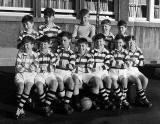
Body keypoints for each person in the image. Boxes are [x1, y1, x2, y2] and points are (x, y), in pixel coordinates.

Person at [72, 38, 111, 111]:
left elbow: (90, 68)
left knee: (97, 80)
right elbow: (73, 68)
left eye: (83, 46)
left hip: (86, 73)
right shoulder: (74, 55)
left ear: (86, 46)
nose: (81, 48)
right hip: (76, 74)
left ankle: (94, 101)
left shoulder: (90, 56)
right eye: (79, 46)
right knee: (76, 81)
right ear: (77, 46)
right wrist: (81, 68)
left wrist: (79, 68)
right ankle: (77, 103)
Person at [34, 35, 59, 117]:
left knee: (54, 83)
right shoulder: (36, 54)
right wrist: (38, 68)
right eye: (41, 44)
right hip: (39, 75)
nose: (43, 46)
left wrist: (47, 67)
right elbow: (34, 66)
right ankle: (47, 104)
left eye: (45, 44)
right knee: (39, 86)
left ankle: (46, 106)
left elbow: (53, 66)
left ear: (49, 45)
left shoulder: (52, 54)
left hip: (49, 74)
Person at [15, 36, 38, 119]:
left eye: (28, 44)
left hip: (30, 75)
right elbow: (18, 67)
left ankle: (19, 108)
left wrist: (24, 66)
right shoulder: (20, 53)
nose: (26, 46)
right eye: (24, 45)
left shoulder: (35, 55)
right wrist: (28, 67)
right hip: (20, 74)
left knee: (27, 87)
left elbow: (34, 67)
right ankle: (21, 109)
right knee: (21, 87)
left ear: (32, 45)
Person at [91, 33, 115, 110]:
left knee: (109, 81)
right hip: (95, 71)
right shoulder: (92, 51)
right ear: (95, 42)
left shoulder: (106, 52)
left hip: (103, 71)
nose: (99, 43)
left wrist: (100, 67)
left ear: (104, 42)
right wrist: (96, 67)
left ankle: (104, 100)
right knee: (99, 82)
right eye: (97, 41)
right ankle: (105, 101)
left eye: (101, 41)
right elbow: (91, 62)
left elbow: (107, 64)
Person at [126, 35, 152, 108]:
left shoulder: (139, 50)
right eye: (128, 43)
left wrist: (136, 61)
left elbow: (142, 63)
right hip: (127, 70)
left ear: (134, 42)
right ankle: (144, 99)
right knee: (137, 80)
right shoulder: (124, 50)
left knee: (145, 80)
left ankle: (138, 98)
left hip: (135, 70)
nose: (129, 44)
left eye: (131, 43)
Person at [55, 31, 76, 114]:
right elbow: (54, 63)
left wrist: (61, 63)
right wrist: (64, 64)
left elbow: (71, 66)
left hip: (67, 73)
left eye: (65, 40)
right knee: (60, 83)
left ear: (69, 40)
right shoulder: (56, 50)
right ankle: (66, 104)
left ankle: (65, 103)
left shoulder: (72, 53)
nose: (62, 42)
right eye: (61, 41)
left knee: (71, 83)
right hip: (57, 72)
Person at [109, 34, 131, 109]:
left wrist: (118, 64)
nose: (118, 44)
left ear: (123, 43)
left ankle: (121, 100)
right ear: (115, 43)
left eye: (120, 43)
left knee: (125, 80)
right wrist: (121, 64)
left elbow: (127, 64)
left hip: (122, 72)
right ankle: (123, 100)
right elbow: (112, 63)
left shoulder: (126, 52)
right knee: (114, 83)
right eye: (117, 42)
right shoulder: (111, 52)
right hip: (113, 71)